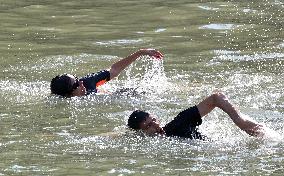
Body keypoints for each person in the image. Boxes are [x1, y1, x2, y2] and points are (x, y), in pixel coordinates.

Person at [127, 92, 265, 139]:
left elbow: (216, 98)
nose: (156, 125)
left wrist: (240, 121)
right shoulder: (144, 141)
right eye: (149, 125)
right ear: (142, 132)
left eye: (154, 120)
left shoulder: (178, 123)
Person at [50, 49, 163, 97]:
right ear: (68, 94)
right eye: (76, 84)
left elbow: (114, 70)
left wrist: (140, 52)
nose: (80, 82)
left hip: (116, 94)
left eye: (76, 78)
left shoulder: (87, 82)